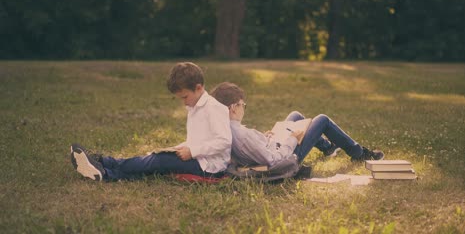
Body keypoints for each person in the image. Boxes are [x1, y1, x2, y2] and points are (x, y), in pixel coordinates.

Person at [70, 62, 232, 181]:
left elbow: (224, 141)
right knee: (157, 159)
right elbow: (199, 139)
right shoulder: (196, 106)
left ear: (198, 88)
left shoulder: (214, 108)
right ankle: (105, 172)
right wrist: (180, 148)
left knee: (159, 161)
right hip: (200, 159)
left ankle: (105, 163)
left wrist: (193, 151)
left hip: (210, 167)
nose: (184, 103)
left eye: (184, 97)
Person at [210, 82, 383, 169]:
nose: (244, 108)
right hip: (286, 157)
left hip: (273, 146)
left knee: (296, 116)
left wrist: (266, 137)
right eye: (242, 105)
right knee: (322, 119)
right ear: (233, 108)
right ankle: (359, 153)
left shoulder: (227, 128)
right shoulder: (241, 135)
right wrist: (292, 139)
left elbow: (254, 148)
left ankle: (328, 148)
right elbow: (273, 160)